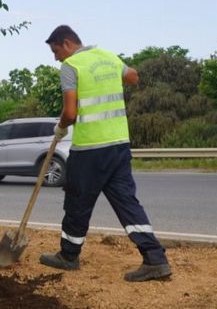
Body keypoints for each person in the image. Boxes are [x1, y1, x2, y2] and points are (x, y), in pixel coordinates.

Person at [39, 25, 172, 282]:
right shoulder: (108, 56)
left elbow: (70, 113)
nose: (56, 57)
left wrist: (60, 128)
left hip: (90, 149)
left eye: (56, 51)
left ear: (66, 43)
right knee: (126, 202)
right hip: (119, 145)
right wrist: (109, 79)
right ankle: (155, 258)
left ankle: (68, 256)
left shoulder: (71, 66)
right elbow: (133, 76)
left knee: (77, 201)